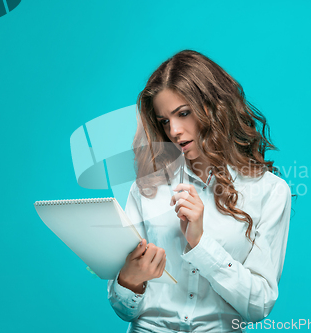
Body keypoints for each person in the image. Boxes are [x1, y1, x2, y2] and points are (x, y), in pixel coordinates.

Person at [107, 50, 292, 333]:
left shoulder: (270, 191)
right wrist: (129, 280)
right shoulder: (147, 187)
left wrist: (201, 243)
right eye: (164, 121)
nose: (175, 131)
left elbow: (259, 305)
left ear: (215, 107)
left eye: (183, 113)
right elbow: (122, 308)